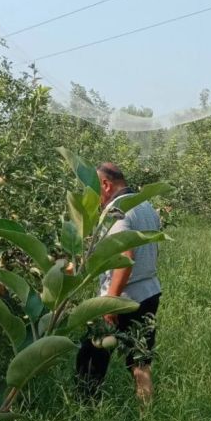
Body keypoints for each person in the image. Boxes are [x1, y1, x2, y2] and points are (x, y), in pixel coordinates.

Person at [75, 162, 161, 405]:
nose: (94, 197)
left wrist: (111, 302)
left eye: (94, 189)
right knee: (140, 360)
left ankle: (86, 410)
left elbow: (125, 257)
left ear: (105, 184)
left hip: (123, 298)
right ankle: (147, 415)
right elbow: (154, 249)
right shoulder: (146, 206)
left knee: (91, 357)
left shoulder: (116, 210)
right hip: (150, 292)